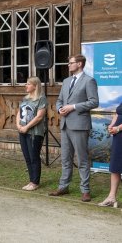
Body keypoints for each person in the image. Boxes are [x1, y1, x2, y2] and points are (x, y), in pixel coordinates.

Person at [49, 54, 99, 202]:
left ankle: (85, 190)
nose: (68, 65)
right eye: (68, 62)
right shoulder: (66, 81)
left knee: (82, 159)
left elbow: (94, 102)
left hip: (80, 125)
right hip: (65, 124)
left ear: (79, 64)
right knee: (65, 158)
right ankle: (63, 187)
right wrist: (59, 109)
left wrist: (73, 107)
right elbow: (59, 100)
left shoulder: (89, 81)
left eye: (71, 63)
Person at [16, 77, 47, 191]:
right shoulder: (25, 98)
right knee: (27, 157)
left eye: (28, 84)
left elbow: (39, 117)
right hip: (22, 131)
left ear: (35, 86)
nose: (26, 86)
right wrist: (19, 126)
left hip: (34, 133)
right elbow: (19, 113)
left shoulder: (41, 99)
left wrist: (27, 127)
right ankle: (31, 180)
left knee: (34, 157)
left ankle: (35, 182)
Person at [98, 104, 122, 207]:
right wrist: (111, 125)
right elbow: (118, 113)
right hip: (118, 136)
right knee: (115, 166)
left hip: (119, 131)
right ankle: (111, 198)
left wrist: (118, 128)